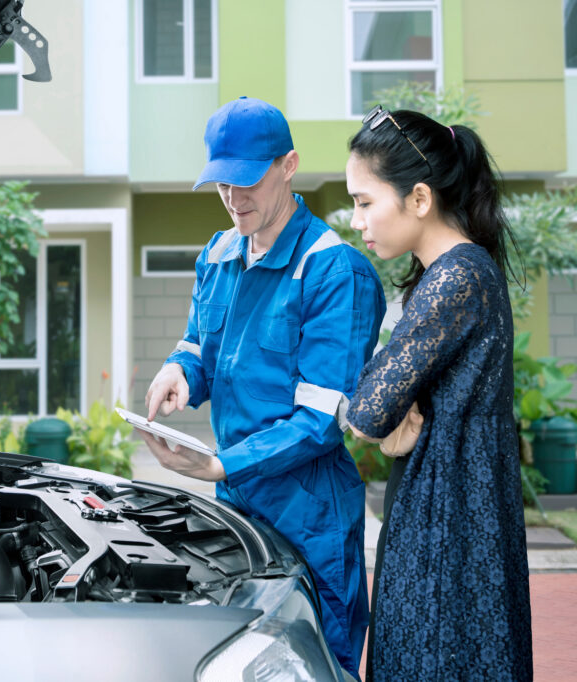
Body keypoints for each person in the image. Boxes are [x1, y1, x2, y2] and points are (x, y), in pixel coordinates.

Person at [139, 96, 387, 679]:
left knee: (323, 663)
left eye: (248, 180)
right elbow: (200, 345)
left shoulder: (333, 270)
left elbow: (322, 419)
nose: (234, 197)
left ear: (289, 165)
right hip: (239, 512)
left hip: (310, 515)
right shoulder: (219, 253)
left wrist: (224, 465)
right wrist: (177, 369)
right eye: (222, 182)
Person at [344, 105, 533, 680]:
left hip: (448, 520)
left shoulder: (455, 276)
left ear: (419, 199)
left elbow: (371, 409)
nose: (357, 221)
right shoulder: (455, 273)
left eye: (364, 201)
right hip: (452, 506)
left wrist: (381, 412)